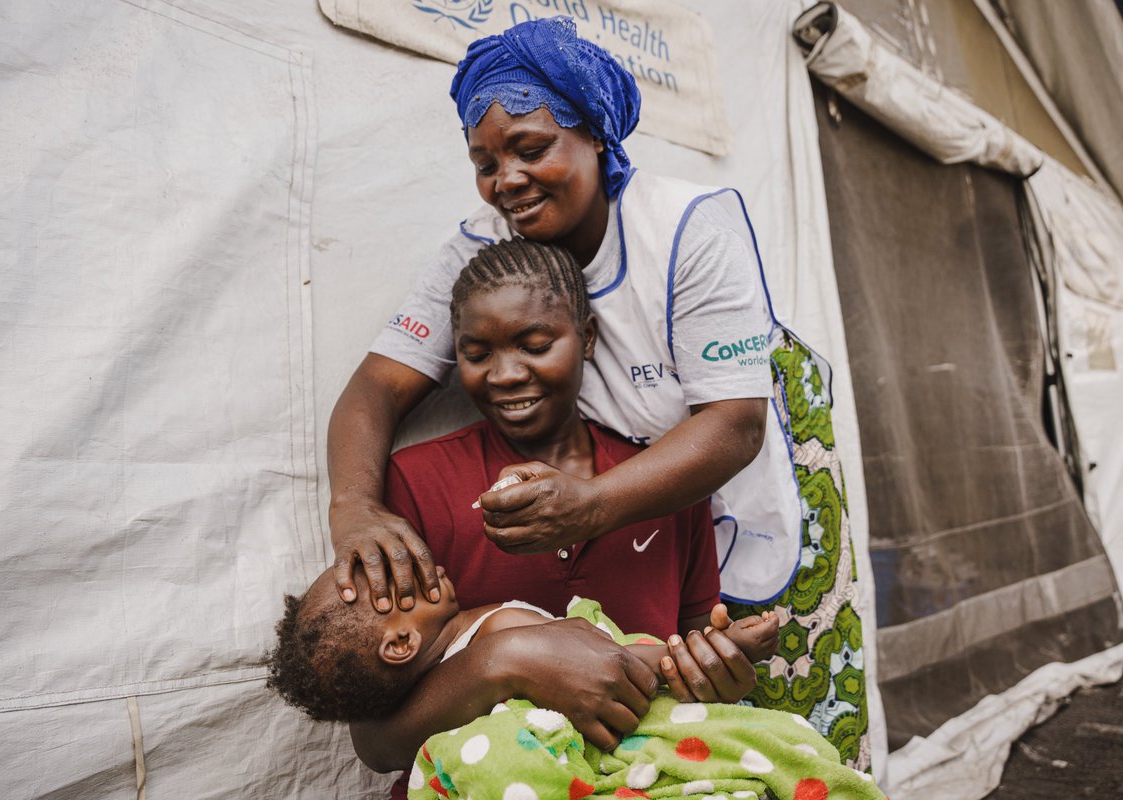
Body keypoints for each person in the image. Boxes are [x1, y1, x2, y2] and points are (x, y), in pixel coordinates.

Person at [328, 16, 869, 772]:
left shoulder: (688, 226)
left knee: (780, 724)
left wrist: (587, 506)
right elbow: (377, 386)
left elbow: (735, 425)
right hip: (633, 532)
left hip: (732, 494)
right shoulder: (479, 247)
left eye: (532, 147)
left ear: (597, 138)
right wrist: (354, 504)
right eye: (484, 161)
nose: (506, 180)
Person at [265, 569, 884, 800]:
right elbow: (625, 665)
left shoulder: (446, 676)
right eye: (387, 583)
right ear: (398, 644)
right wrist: (689, 656)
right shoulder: (498, 628)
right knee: (772, 739)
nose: (408, 562)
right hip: (609, 748)